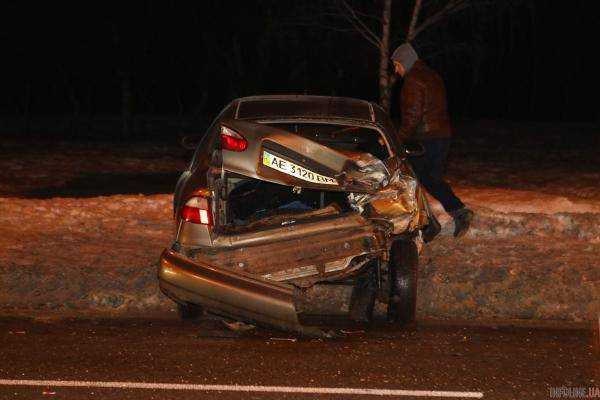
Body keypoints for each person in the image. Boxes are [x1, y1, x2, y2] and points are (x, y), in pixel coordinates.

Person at [391, 43, 473, 237]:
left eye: (396, 65)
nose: (396, 69)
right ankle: (448, 216)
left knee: (413, 179)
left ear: (405, 62)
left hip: (426, 139)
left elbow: (412, 116)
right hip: (441, 135)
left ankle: (431, 222)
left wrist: (399, 139)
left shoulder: (413, 80)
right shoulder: (431, 75)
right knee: (429, 178)